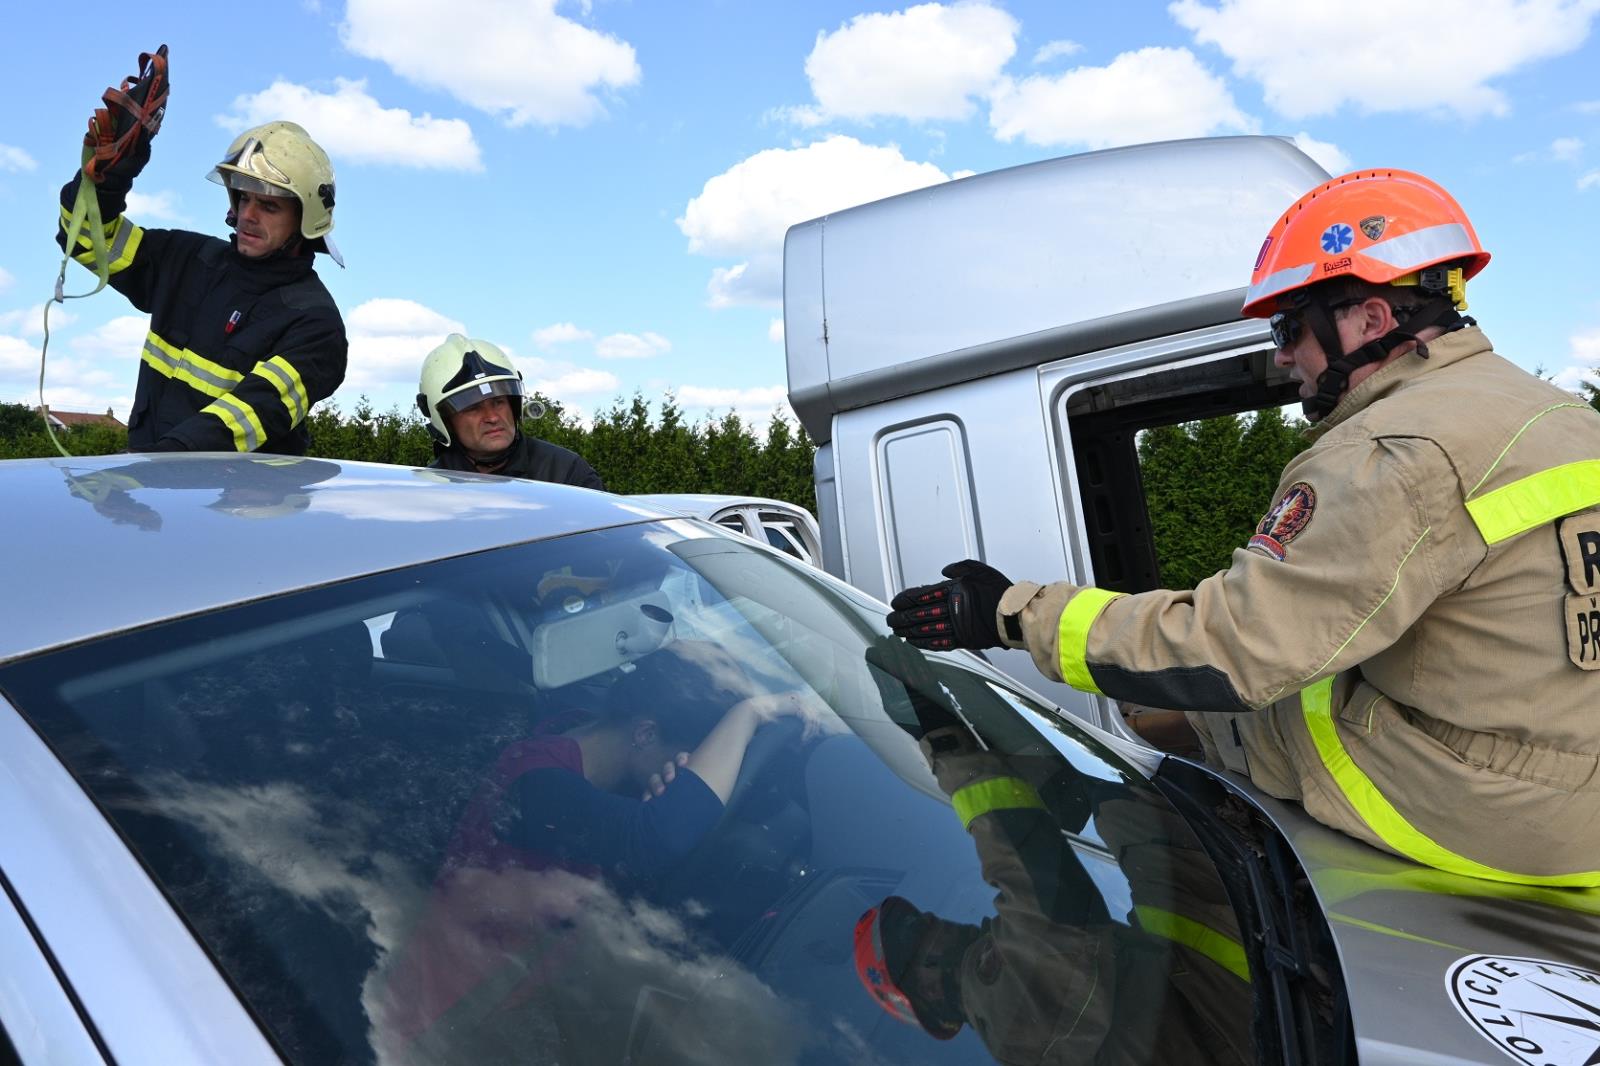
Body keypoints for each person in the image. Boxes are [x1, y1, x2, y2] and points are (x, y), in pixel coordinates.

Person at [887, 168, 1600, 888]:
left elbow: (1233, 652)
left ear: (1373, 321)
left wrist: (1011, 614)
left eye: (1290, 328)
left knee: (1174, 828)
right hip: (1567, 786)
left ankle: (1106, 811)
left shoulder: (1395, 451)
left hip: (1500, 816)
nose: (1283, 354)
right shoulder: (1559, 415)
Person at [379, 640, 831, 1050]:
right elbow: (660, 836)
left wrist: (662, 786)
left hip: (530, 986)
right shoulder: (539, 785)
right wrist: (748, 714)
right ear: (644, 733)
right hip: (443, 1014)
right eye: (695, 753)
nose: (696, 766)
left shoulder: (577, 732)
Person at [854, 641, 1252, 1063]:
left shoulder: (1013, 1002)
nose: (931, 920)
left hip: (1231, 985)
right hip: (1268, 1017)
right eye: (914, 937)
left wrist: (1086, 780)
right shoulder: (1009, 1024)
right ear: (929, 994)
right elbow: (1051, 906)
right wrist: (949, 749)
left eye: (918, 918)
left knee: (1126, 815)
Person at [57, 50, 348, 454]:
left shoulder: (317, 325)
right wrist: (111, 178)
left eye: (268, 205)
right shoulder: (190, 258)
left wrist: (150, 468)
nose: (247, 215)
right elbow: (86, 238)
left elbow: (246, 416)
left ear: (306, 217)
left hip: (243, 512)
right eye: (242, 198)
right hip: (155, 494)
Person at [417, 334, 604, 487]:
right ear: (445, 420)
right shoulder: (433, 488)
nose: (492, 417)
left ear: (513, 405)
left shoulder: (566, 472)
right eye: (473, 408)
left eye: (498, 402)